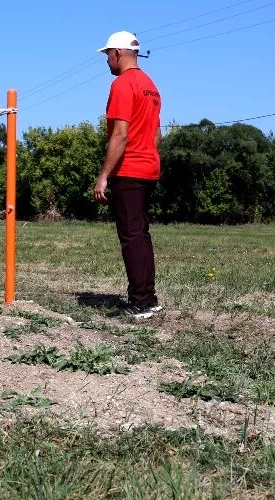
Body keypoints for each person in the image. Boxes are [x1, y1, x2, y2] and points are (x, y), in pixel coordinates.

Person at [93, 31, 163, 320]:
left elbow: (120, 134)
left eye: (108, 54)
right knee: (140, 235)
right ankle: (149, 297)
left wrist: (104, 175)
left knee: (131, 236)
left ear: (119, 53)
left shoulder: (122, 84)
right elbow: (157, 134)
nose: (107, 60)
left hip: (129, 169)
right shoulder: (150, 85)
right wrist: (146, 154)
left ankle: (141, 302)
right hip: (149, 168)